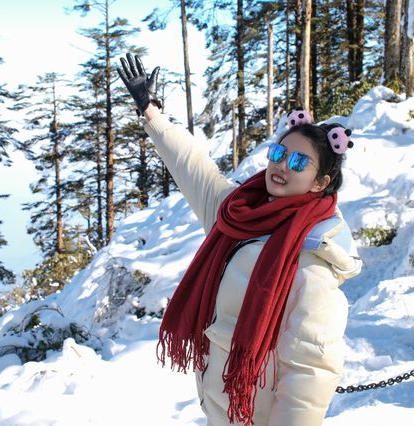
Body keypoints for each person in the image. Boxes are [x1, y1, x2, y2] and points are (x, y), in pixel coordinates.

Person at [117, 53, 363, 426]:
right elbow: (193, 167)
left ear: (320, 183)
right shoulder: (239, 213)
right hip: (221, 410)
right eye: (279, 154)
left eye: (298, 162)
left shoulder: (311, 254)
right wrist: (151, 112)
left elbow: (311, 371)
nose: (282, 166)